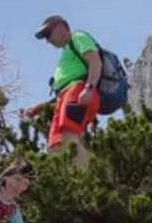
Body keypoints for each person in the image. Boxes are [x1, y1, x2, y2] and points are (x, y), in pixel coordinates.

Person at [23, 14, 103, 168]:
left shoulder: (78, 37)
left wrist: (89, 87)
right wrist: (41, 107)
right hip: (66, 96)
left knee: (69, 134)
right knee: (56, 143)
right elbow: (64, 88)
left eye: (48, 34)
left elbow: (95, 60)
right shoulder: (67, 52)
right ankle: (65, 179)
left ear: (61, 27)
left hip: (79, 90)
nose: (48, 41)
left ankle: (82, 177)